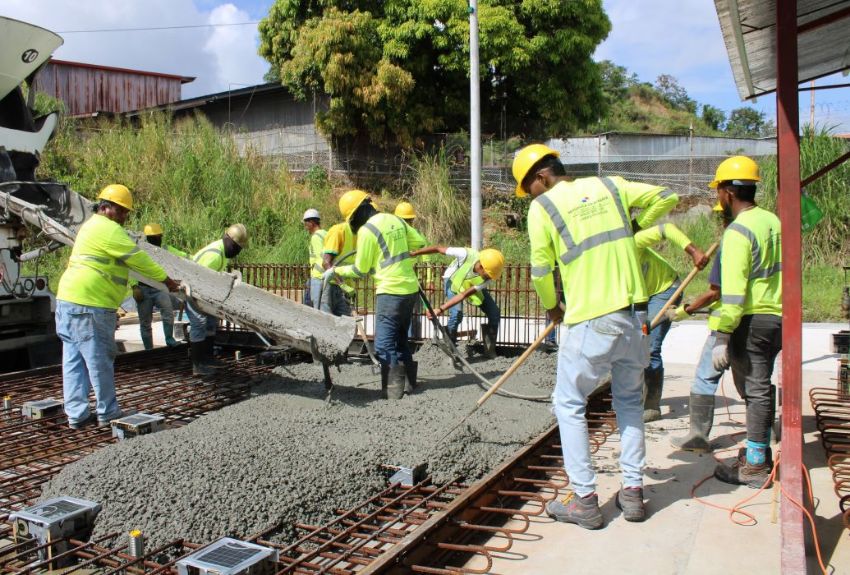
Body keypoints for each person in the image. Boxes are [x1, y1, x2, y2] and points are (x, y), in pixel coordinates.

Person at [513, 143, 678, 528]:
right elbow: (666, 195)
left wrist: (553, 307)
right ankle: (633, 494)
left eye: (529, 188)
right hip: (634, 319)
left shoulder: (543, 207)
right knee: (629, 404)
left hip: (590, 320)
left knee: (569, 402)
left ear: (541, 177)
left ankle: (585, 499)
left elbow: (540, 270)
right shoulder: (611, 185)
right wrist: (635, 226)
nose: (530, 197)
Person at [56, 184, 180, 429]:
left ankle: (77, 415)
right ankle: (107, 412)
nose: (124, 217)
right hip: (90, 304)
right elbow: (138, 259)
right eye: (121, 211)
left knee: (73, 361)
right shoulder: (109, 230)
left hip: (67, 300)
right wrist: (167, 281)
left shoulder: (89, 226)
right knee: (99, 358)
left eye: (126, 212)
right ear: (106, 208)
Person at [709, 156, 782, 488]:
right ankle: (759, 451)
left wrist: (723, 334)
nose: (718, 198)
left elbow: (734, 294)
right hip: (779, 316)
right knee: (761, 387)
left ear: (727, 192)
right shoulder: (774, 222)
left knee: (754, 390)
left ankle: (755, 465)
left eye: (719, 192)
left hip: (752, 321)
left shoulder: (738, 231)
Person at [331, 190, 426, 399]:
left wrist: (335, 270)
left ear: (357, 212)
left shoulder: (367, 231)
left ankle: (393, 392)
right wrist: (403, 263)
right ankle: (409, 384)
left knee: (383, 344)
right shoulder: (397, 220)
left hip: (390, 293)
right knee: (400, 338)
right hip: (410, 290)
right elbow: (420, 244)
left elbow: (359, 270)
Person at [668, 203, 730, 452]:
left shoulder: (732, 243)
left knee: (704, 380)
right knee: (754, 384)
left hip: (725, 325)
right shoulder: (765, 231)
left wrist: (685, 310)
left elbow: (716, 293)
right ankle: (764, 437)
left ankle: (697, 438)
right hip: (758, 322)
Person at [634, 223, 709, 422]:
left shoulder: (632, 242)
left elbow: (666, 229)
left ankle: (651, 405)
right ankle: (633, 397)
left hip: (664, 290)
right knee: (630, 343)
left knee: (650, 346)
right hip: (638, 295)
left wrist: (693, 251)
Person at [410, 245, 505, 358]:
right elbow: (438, 248)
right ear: (481, 266)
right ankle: (451, 351)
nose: (489, 277)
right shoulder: (465, 254)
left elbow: (464, 294)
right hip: (452, 281)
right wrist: (414, 253)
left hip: (468, 286)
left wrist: (440, 309)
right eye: (488, 274)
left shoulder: (487, 279)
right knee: (456, 314)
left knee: (494, 313)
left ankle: (490, 351)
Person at [187, 223, 248, 376]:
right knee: (199, 323)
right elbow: (196, 280)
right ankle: (198, 364)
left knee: (211, 322)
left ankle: (207, 358)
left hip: (204, 294)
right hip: (193, 292)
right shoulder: (214, 255)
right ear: (229, 241)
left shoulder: (221, 253)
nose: (236, 253)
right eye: (236, 248)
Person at [133, 223, 188, 350]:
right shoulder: (140, 251)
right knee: (145, 322)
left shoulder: (164, 249)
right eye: (154, 236)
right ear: (147, 237)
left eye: (158, 236)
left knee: (168, 313)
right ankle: (148, 349)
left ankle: (169, 339)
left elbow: (180, 255)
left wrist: (193, 259)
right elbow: (131, 269)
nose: (157, 238)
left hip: (159, 288)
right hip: (143, 289)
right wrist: (134, 286)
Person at [394, 201, 433, 340]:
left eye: (408, 220)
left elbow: (426, 259)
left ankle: (412, 340)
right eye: (404, 220)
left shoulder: (417, 236)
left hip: (414, 280)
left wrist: (429, 280)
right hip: (397, 279)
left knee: (414, 312)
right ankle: (407, 340)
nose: (406, 223)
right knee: (402, 313)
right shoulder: (393, 236)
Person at [319, 220, 356, 316]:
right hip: (330, 285)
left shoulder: (360, 234)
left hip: (345, 288)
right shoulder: (339, 231)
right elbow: (326, 262)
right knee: (326, 320)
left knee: (346, 323)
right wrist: (342, 284)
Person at [302, 209, 326, 309]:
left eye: (306, 224)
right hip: (325, 277)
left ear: (311, 223)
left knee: (315, 310)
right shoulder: (326, 233)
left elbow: (322, 257)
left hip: (318, 277)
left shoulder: (316, 237)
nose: (305, 227)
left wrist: (317, 275)